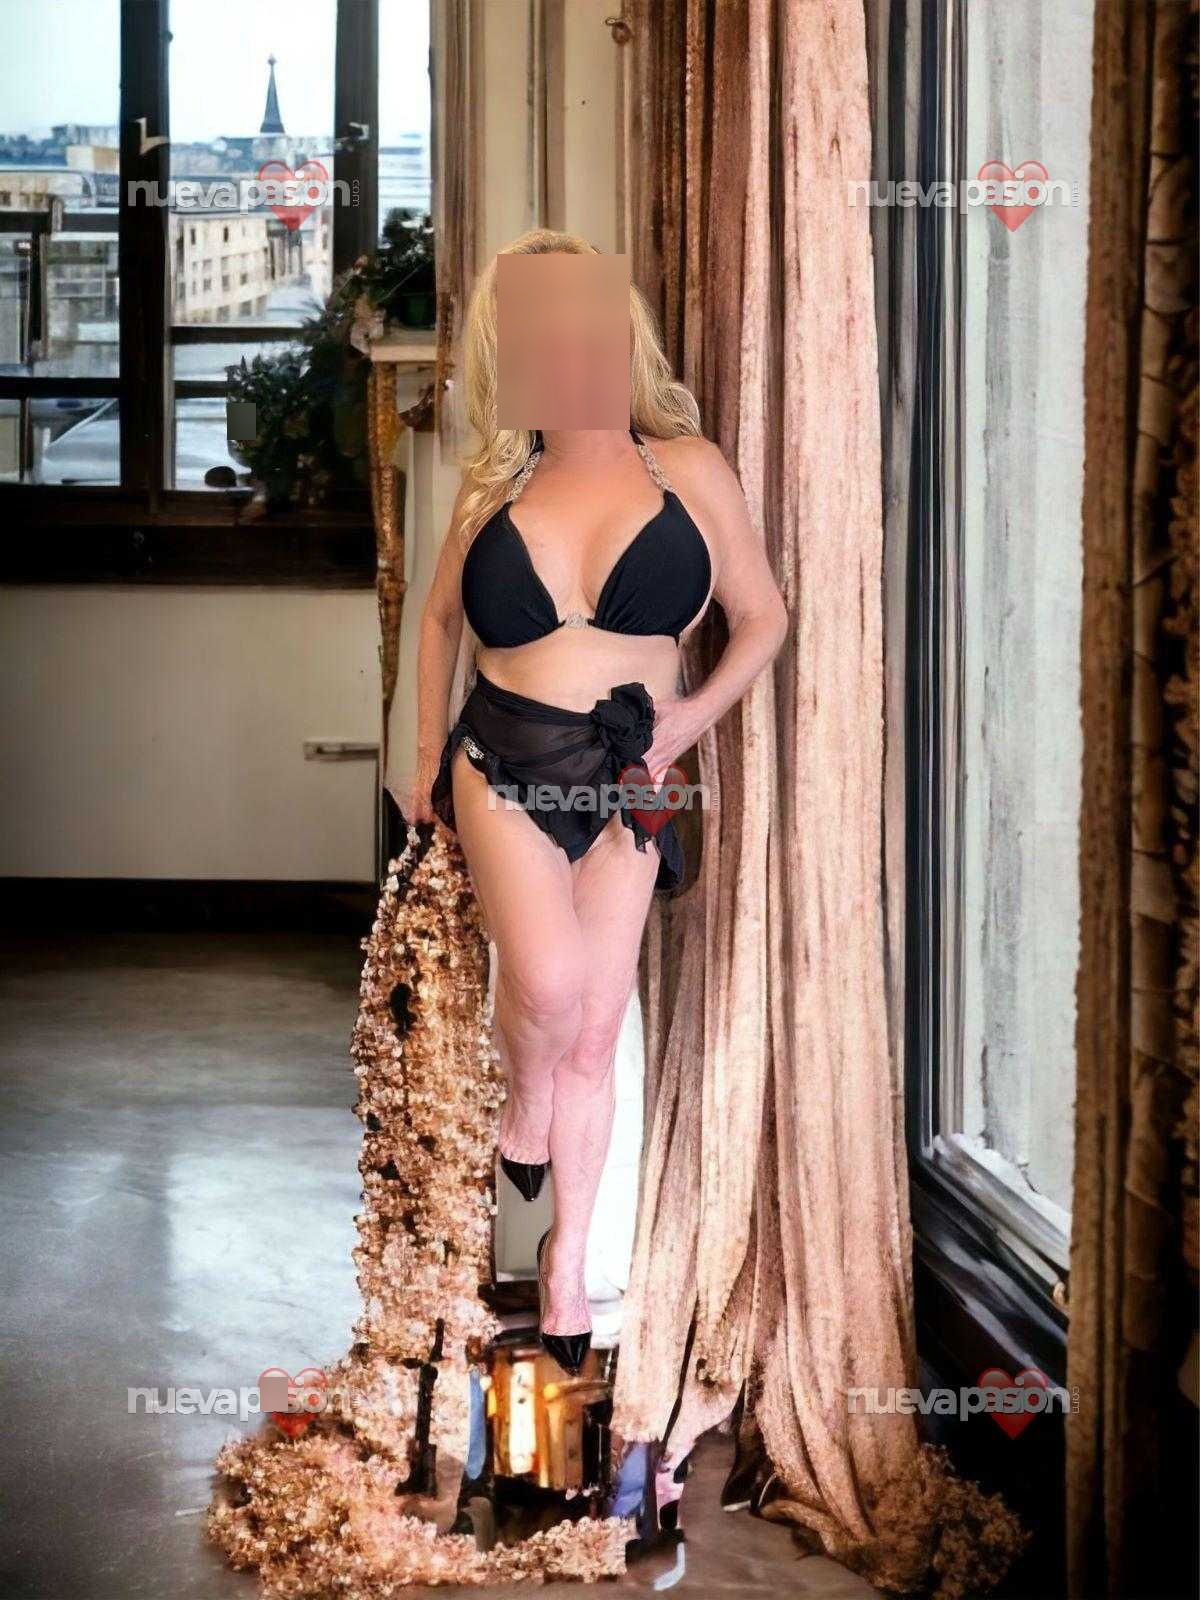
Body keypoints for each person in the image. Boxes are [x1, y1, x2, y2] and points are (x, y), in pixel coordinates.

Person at [406, 228, 786, 1373]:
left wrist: (691, 719)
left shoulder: (688, 468)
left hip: (633, 769)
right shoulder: (497, 478)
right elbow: (439, 620)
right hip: (501, 758)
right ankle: (520, 1103)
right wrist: (417, 758)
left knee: (599, 1026)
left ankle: (566, 1259)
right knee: (549, 983)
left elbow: (762, 617)